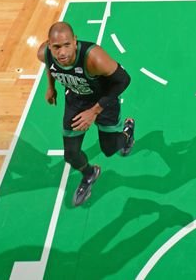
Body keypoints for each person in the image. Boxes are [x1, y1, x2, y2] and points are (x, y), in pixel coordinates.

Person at [37, 22, 136, 207]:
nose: (62, 53)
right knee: (71, 154)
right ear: (49, 45)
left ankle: (127, 132)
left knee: (109, 149)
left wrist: (94, 111)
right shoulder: (44, 54)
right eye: (56, 47)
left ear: (74, 41)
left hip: (104, 102)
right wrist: (51, 87)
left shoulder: (94, 58)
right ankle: (90, 174)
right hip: (76, 101)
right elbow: (50, 66)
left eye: (67, 45)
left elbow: (124, 80)